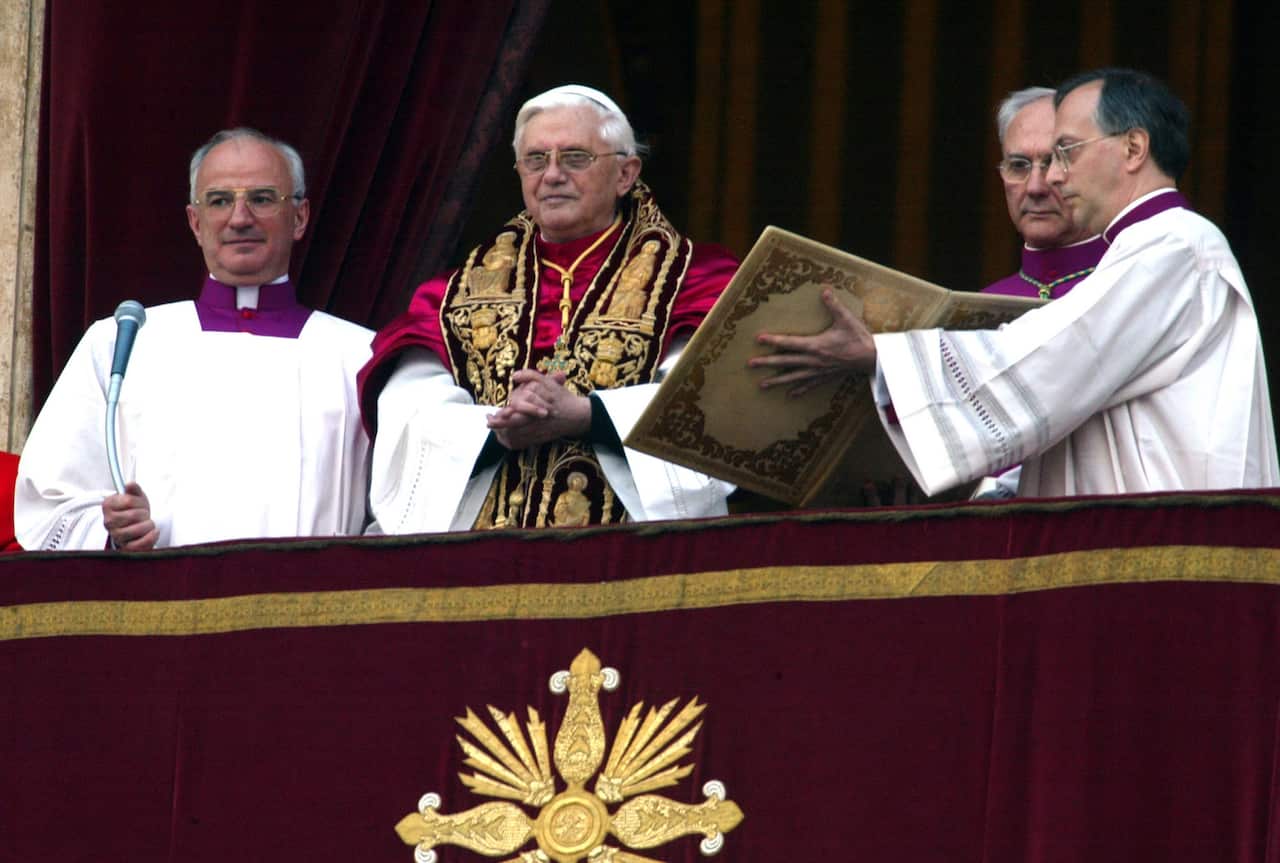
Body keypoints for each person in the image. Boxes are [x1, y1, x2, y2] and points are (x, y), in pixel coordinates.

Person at [753, 68, 1278, 496]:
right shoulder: (1163, 244)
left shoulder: (1175, 245)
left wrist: (882, 354)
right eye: (1023, 164)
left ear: (1134, 149)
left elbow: (1060, 357)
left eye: (1066, 152)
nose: (1050, 178)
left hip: (1166, 544)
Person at [358, 84, 737, 531]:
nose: (552, 174)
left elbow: (711, 402)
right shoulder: (452, 294)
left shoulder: (692, 279)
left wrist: (587, 416)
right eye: (535, 160)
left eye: (575, 157)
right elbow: (411, 408)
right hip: (482, 551)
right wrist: (494, 427)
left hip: (627, 552)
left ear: (626, 173)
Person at [15, 127, 372, 550]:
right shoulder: (121, 345)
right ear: (195, 221)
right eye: (219, 200)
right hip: (157, 607)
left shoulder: (361, 355)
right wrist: (112, 534)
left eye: (262, 198)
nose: (240, 218)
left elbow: (402, 514)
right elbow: (49, 501)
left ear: (299, 217)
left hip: (305, 608)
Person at [984, 86, 1107, 299]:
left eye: (1054, 161)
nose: (1035, 188)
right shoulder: (977, 311)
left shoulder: (1133, 293)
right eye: (1018, 165)